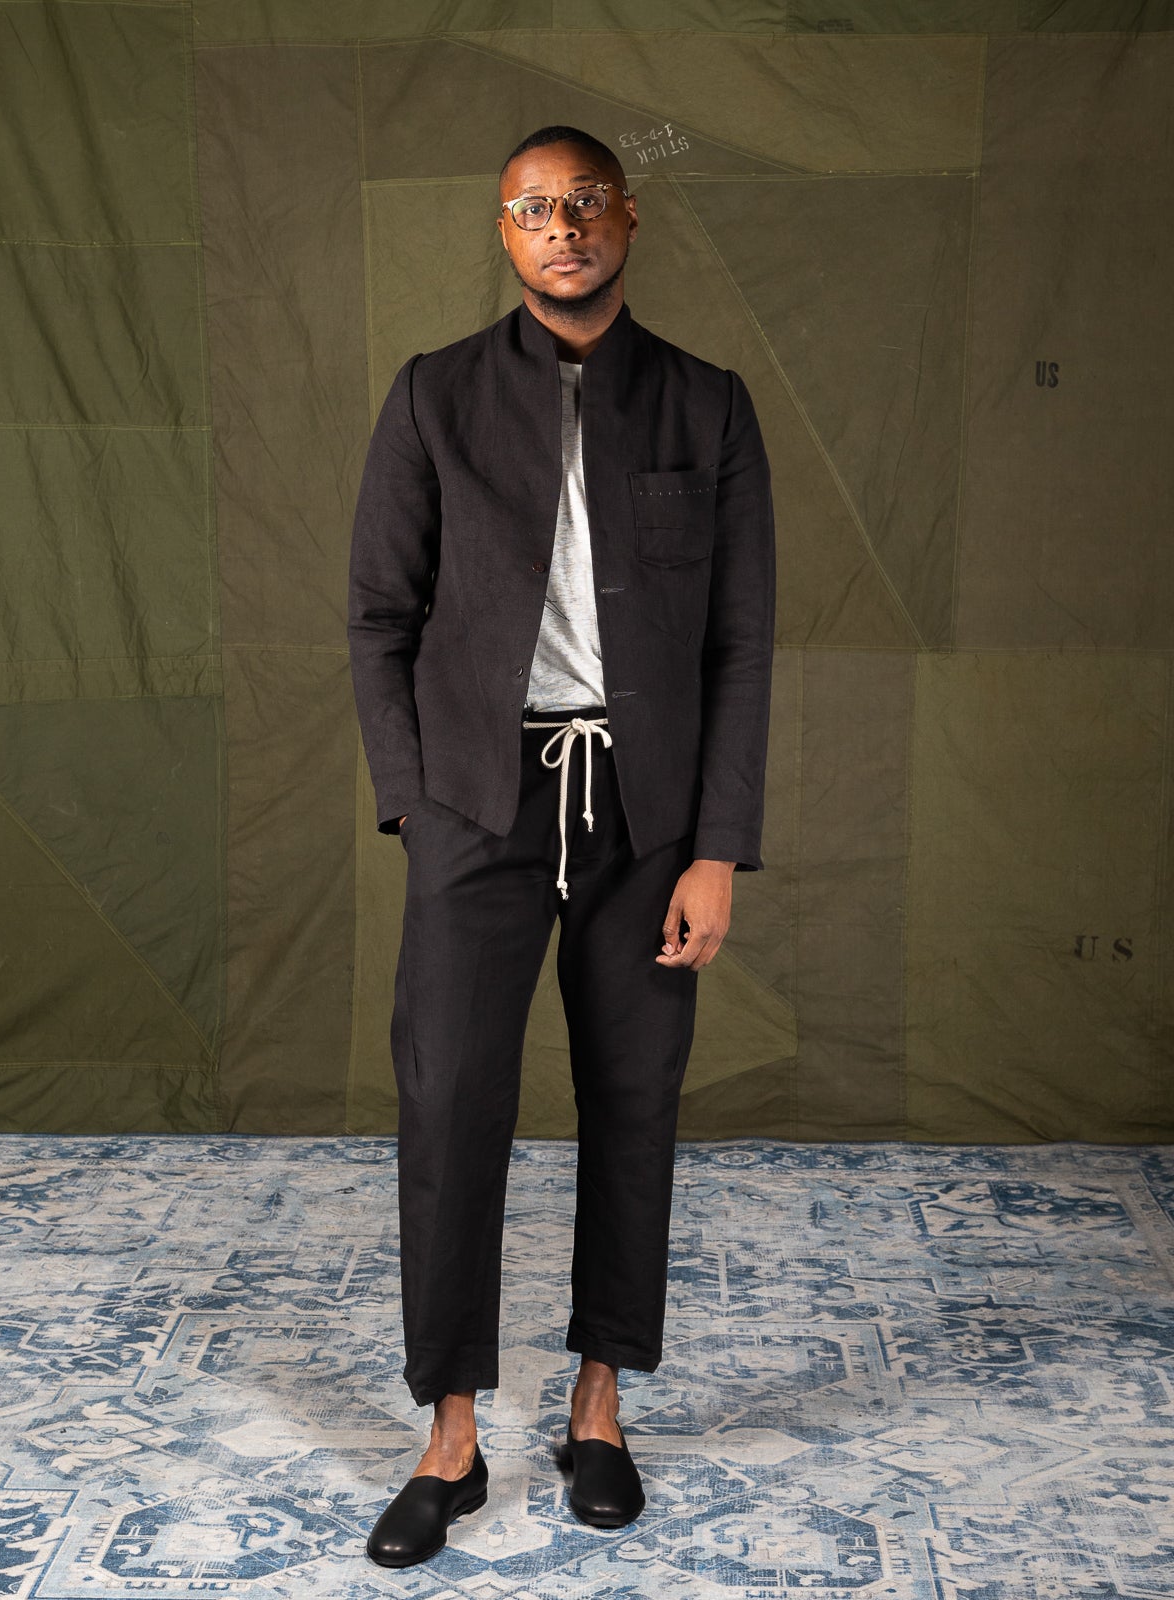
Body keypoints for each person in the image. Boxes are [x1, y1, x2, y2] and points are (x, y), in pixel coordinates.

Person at [347, 123, 776, 1568]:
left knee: (634, 1097)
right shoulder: (436, 395)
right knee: (450, 1100)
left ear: (628, 219)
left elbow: (739, 643)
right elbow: (380, 615)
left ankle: (600, 1405)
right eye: (534, 209)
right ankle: (451, 1435)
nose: (563, 227)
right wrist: (416, 800)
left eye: (585, 202)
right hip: (479, 802)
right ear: (506, 234)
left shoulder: (708, 405)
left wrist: (716, 848)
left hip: (649, 817)